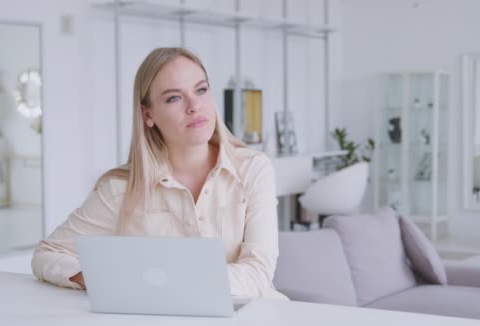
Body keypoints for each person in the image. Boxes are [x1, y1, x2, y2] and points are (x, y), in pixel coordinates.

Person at [31, 47, 288, 300]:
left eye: (201, 90)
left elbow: (259, 272)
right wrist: (99, 277)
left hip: (252, 321)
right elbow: (48, 253)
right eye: (174, 98)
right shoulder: (121, 188)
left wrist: (169, 283)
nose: (194, 106)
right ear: (148, 114)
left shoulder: (253, 169)